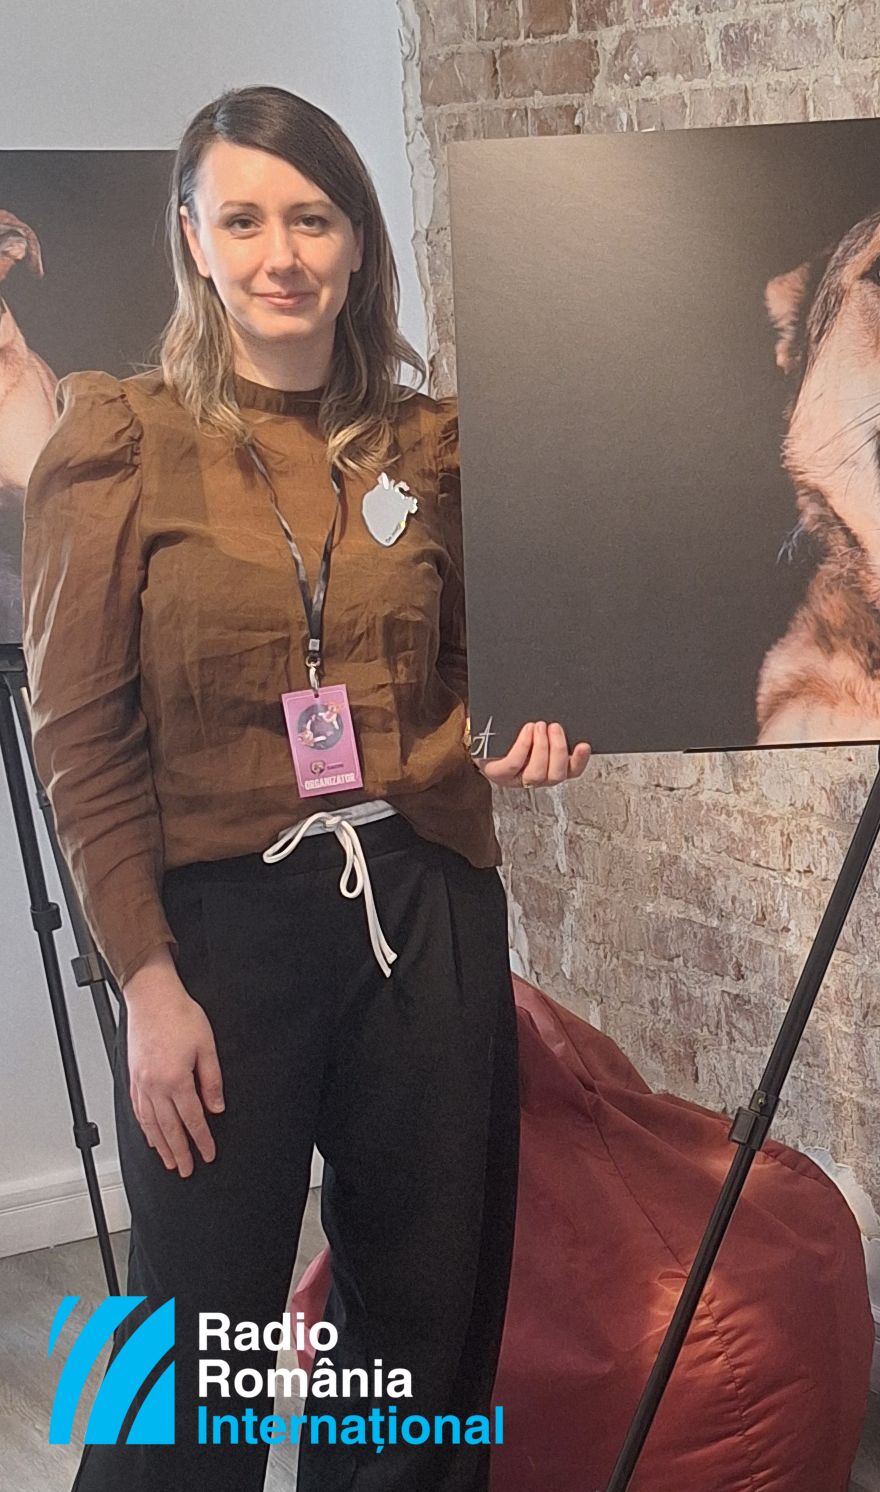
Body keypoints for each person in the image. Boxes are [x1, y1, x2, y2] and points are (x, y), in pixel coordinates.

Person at [24, 86, 589, 1491]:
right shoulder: (117, 441)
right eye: (245, 217)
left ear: (356, 239)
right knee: (181, 1335)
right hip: (215, 932)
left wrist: (537, 730)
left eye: (314, 216)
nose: (282, 252)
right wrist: (144, 986)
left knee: (417, 1323)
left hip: (426, 907)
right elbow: (78, 738)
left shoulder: (432, 449)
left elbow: (478, 680)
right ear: (193, 238)